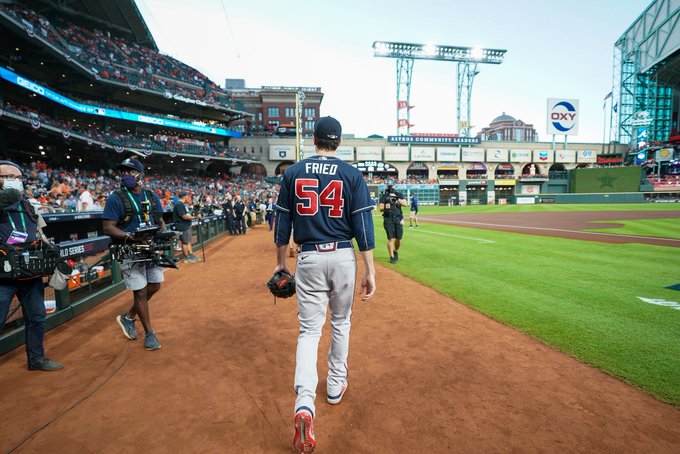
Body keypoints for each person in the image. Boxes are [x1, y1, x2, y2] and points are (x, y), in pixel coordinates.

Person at [274, 116, 376, 453]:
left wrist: (280, 265)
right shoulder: (351, 174)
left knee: (309, 332)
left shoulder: (292, 172)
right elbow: (363, 225)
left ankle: (304, 403)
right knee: (342, 322)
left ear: (314, 139)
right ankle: (334, 387)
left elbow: (282, 223)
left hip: (309, 256)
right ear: (339, 140)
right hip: (344, 255)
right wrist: (370, 269)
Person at [0, 160, 63, 371]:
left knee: (37, 318)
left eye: (18, 178)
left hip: (30, 273)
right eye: (8, 177)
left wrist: (50, 249)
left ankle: (36, 359)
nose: (14, 181)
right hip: (2, 277)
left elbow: (39, 233)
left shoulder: (28, 205)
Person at [102, 157, 166, 351]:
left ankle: (128, 317)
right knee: (140, 292)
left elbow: (160, 219)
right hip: (129, 250)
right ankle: (149, 334)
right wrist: (131, 237)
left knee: (154, 286)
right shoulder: (116, 197)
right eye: (123, 172)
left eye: (130, 172)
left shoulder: (152, 196)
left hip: (151, 248)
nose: (125, 175)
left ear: (140, 175)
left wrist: (163, 234)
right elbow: (108, 227)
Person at [379, 180, 408, 263]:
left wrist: (396, 199)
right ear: (387, 187)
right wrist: (386, 207)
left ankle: (395, 251)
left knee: (399, 238)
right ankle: (391, 256)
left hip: (398, 218)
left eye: (392, 186)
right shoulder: (384, 196)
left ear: (394, 186)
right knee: (390, 238)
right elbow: (380, 208)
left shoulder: (399, 194)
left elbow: (405, 204)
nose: (390, 187)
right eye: (389, 186)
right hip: (388, 218)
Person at [172, 192, 201, 263]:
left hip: (186, 225)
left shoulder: (182, 204)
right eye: (187, 196)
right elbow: (184, 216)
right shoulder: (179, 204)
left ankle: (191, 255)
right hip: (182, 226)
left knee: (188, 241)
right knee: (185, 242)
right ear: (184, 196)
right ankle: (186, 257)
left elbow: (187, 214)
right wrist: (195, 217)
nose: (188, 197)